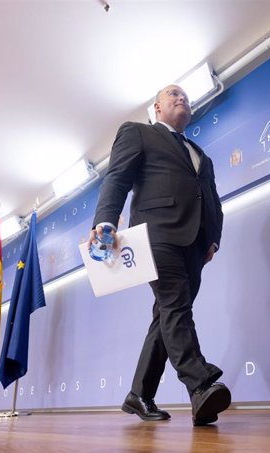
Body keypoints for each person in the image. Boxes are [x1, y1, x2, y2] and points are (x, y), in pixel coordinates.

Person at [89, 84, 230, 426]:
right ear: (156, 107)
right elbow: (118, 178)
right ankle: (200, 384)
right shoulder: (137, 133)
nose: (181, 98)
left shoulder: (201, 155)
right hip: (156, 236)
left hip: (196, 245)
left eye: (185, 96)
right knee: (175, 305)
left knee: (167, 314)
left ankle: (139, 395)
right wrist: (105, 221)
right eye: (173, 94)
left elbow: (211, 199)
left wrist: (213, 240)